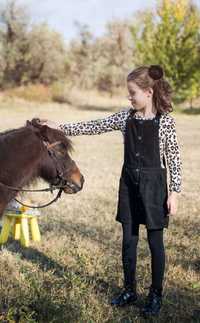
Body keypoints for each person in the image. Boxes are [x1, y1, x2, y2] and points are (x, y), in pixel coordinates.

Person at [40, 65, 182, 318]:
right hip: (128, 185)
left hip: (154, 188)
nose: (129, 98)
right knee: (128, 240)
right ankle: (129, 290)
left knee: (155, 243)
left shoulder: (165, 123)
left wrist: (175, 192)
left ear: (148, 93)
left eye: (132, 93)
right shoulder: (124, 118)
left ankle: (155, 294)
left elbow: (174, 158)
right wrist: (59, 127)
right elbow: (94, 126)